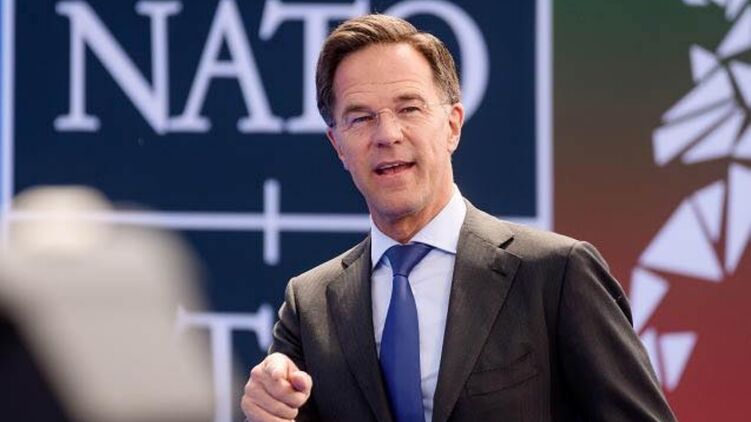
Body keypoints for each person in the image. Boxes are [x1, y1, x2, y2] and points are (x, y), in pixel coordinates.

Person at [241, 14, 676, 422]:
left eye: (409, 109)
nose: (387, 134)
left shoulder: (556, 274)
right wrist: (267, 410)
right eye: (361, 118)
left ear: (452, 125)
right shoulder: (310, 305)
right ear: (338, 145)